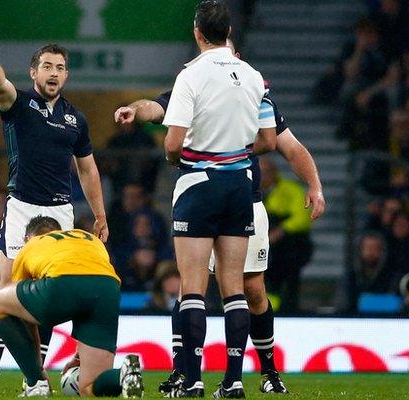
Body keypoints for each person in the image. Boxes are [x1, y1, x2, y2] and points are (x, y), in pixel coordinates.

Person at [115, 41, 325, 396]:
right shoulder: (196, 88)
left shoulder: (254, 95)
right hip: (221, 195)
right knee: (190, 288)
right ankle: (185, 372)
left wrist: (315, 184)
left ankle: (266, 373)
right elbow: (156, 105)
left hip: (243, 200)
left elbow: (289, 145)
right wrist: (135, 109)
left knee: (251, 290)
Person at [0, 35, 109, 391]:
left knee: (46, 293)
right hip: (21, 208)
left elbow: (88, 170)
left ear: (66, 76)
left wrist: (100, 215)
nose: (54, 73)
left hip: (60, 212)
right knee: (9, 288)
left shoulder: (75, 119)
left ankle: (36, 374)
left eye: (61, 68)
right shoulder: (19, 104)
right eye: (47, 66)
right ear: (34, 72)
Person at [159, 1, 276, 397]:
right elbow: (269, 140)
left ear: (197, 32)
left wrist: (179, 156)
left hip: (198, 184)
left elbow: (174, 141)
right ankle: (234, 380)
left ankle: (192, 380)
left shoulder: (190, 77)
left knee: (192, 286)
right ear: (228, 32)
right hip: (240, 186)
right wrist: (235, 152)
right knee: (235, 289)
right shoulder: (254, 76)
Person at [0, 216, 142, 397]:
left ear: (27, 238)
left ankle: (36, 385)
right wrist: (80, 356)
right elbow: (87, 286)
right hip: (108, 289)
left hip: (61, 284)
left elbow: (23, 313)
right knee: (89, 387)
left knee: (0, 302)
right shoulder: (90, 239)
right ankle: (124, 376)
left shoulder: (32, 244)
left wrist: (37, 368)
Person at [259, 158, 314, 313]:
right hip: (258, 243)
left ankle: (289, 308)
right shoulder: (249, 191)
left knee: (289, 266)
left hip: (286, 247)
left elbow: (303, 217)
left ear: (274, 173)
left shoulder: (291, 190)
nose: (263, 176)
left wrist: (281, 230)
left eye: (266, 172)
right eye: (260, 172)